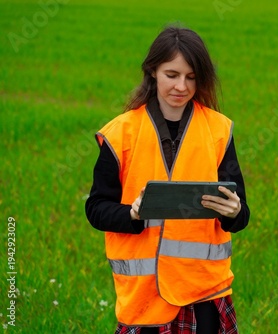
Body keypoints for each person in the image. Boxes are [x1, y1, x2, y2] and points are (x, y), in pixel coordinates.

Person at [85, 25, 250, 334]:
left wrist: (235, 213)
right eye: (172, 75)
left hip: (204, 292)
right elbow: (96, 208)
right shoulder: (120, 133)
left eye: (191, 77)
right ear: (152, 72)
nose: (181, 86)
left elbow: (241, 215)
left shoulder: (218, 130)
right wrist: (132, 214)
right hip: (144, 298)